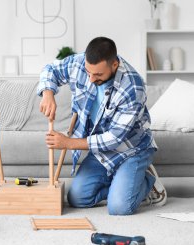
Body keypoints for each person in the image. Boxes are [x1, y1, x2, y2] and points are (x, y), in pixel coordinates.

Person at [37, 37, 166, 215]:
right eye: (88, 72)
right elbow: (50, 69)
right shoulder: (80, 63)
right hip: (100, 150)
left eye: (97, 75)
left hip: (131, 149)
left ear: (114, 65)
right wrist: (47, 93)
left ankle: (147, 182)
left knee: (119, 208)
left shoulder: (133, 87)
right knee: (77, 199)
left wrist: (68, 143)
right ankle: (121, 184)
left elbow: (113, 138)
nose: (90, 79)